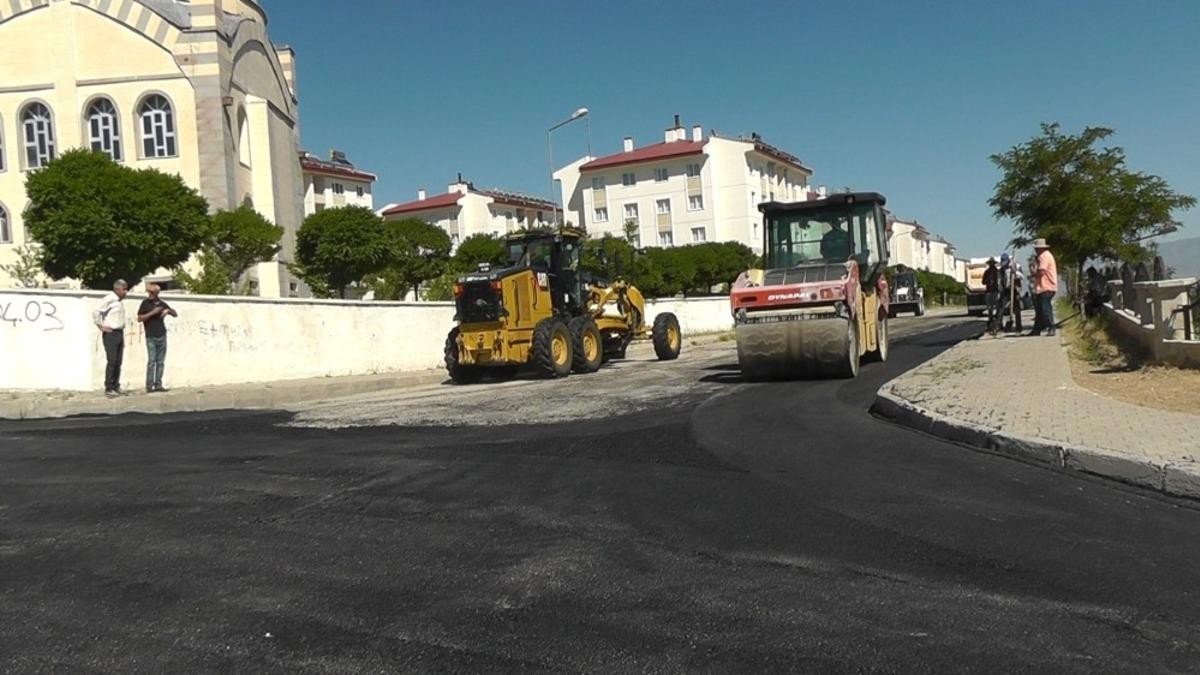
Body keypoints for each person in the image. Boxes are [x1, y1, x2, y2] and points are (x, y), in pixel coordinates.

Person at [137, 283, 178, 393]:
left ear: (156, 293)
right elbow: (140, 318)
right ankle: (149, 386)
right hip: (150, 336)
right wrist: (152, 312)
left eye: (151, 292)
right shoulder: (145, 303)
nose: (149, 294)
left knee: (160, 362)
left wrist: (168, 311)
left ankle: (158, 384)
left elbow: (175, 314)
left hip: (161, 335)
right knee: (151, 361)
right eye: (148, 292)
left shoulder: (162, 304)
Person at [93, 279, 129, 398]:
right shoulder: (109, 299)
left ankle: (115, 385)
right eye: (124, 289)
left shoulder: (119, 301)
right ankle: (109, 387)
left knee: (118, 361)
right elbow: (96, 311)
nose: (126, 292)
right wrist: (100, 326)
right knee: (112, 360)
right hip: (111, 333)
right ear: (117, 289)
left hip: (119, 332)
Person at [1029, 238, 1058, 337]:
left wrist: (1033, 273)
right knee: (1040, 310)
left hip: (1046, 286)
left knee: (1045, 308)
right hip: (1044, 287)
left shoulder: (1044, 256)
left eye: (1037, 248)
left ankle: (1051, 327)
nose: (1036, 250)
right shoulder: (1045, 256)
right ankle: (1037, 329)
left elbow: (1041, 272)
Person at [998, 253, 1024, 333]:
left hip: (1015, 289)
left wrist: (1015, 272)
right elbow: (1000, 281)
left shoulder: (1016, 266)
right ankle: (998, 326)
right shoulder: (1001, 270)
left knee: (1017, 309)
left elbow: (1022, 276)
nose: (1003, 263)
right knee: (1001, 308)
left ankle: (1018, 328)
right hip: (1006, 290)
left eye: (1004, 261)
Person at [982, 258, 1001, 334]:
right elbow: (983, 282)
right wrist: (988, 280)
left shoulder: (997, 272)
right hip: (989, 292)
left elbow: (1000, 281)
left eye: (992, 263)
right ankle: (991, 324)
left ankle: (997, 324)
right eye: (990, 264)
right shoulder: (986, 272)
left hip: (995, 292)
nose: (991, 265)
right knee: (990, 309)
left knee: (997, 309)